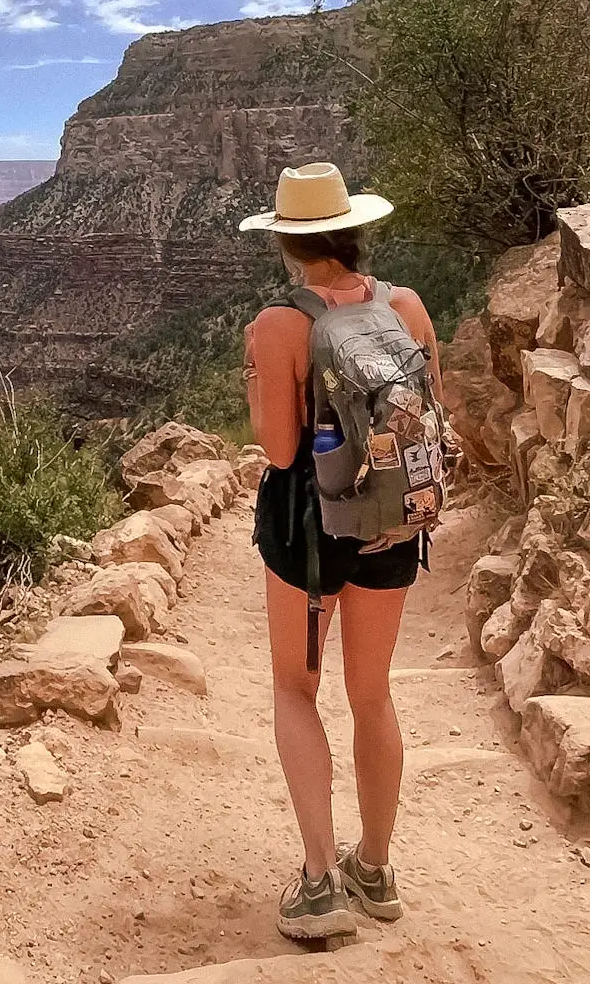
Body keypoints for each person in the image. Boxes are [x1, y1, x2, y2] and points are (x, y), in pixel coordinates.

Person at [239, 163, 442, 941]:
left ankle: (318, 883)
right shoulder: (407, 306)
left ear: (289, 243)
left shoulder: (278, 324)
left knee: (296, 688)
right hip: (393, 519)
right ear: (355, 230)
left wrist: (259, 383)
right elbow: (433, 415)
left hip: (305, 528)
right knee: (372, 693)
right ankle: (377, 868)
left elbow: (281, 449)